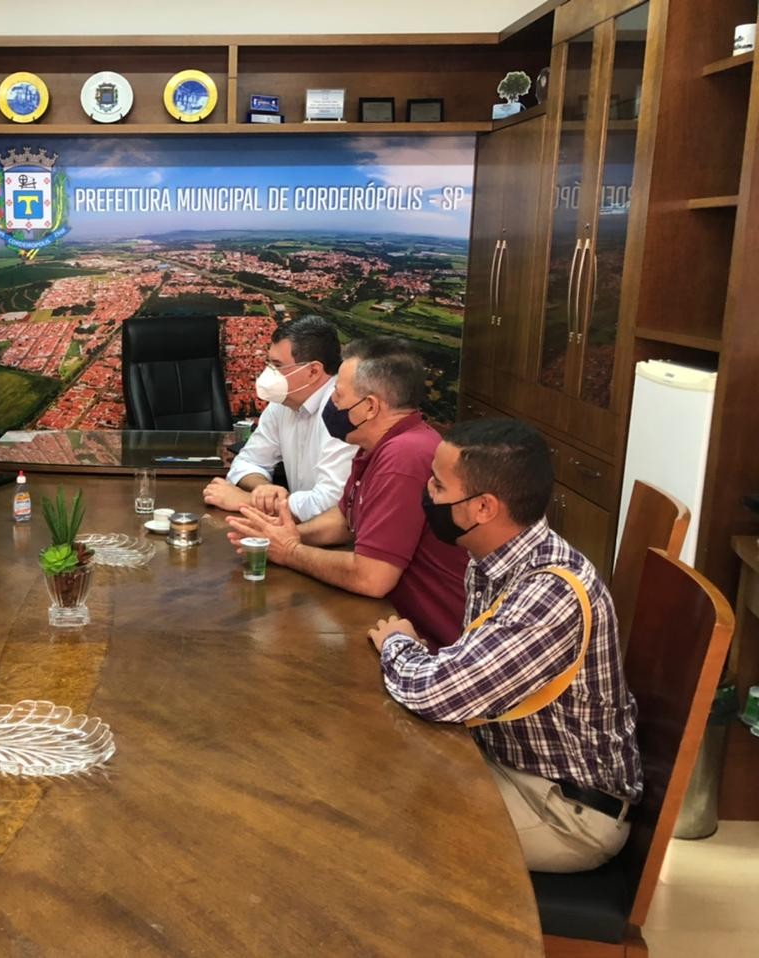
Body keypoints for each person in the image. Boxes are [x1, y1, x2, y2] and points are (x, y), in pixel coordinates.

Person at [368, 418, 641, 872]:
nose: (427, 493)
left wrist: (399, 644)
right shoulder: (492, 559)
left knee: (383, 824)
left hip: (565, 812)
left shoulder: (548, 593)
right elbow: (466, 675)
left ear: (483, 508)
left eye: (437, 485)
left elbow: (436, 692)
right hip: (510, 767)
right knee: (374, 769)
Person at [226, 336, 467, 649]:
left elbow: (372, 577)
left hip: (429, 641)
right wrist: (288, 535)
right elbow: (344, 519)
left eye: (337, 396)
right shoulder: (376, 445)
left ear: (369, 407)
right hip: (391, 620)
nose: (332, 405)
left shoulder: (403, 457)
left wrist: (290, 551)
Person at [203, 315, 355, 521]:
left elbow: (331, 504)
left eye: (277, 365)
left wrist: (246, 500)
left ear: (312, 371)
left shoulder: (343, 410)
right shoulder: (282, 404)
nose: (268, 373)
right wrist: (264, 490)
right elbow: (247, 462)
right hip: (294, 530)